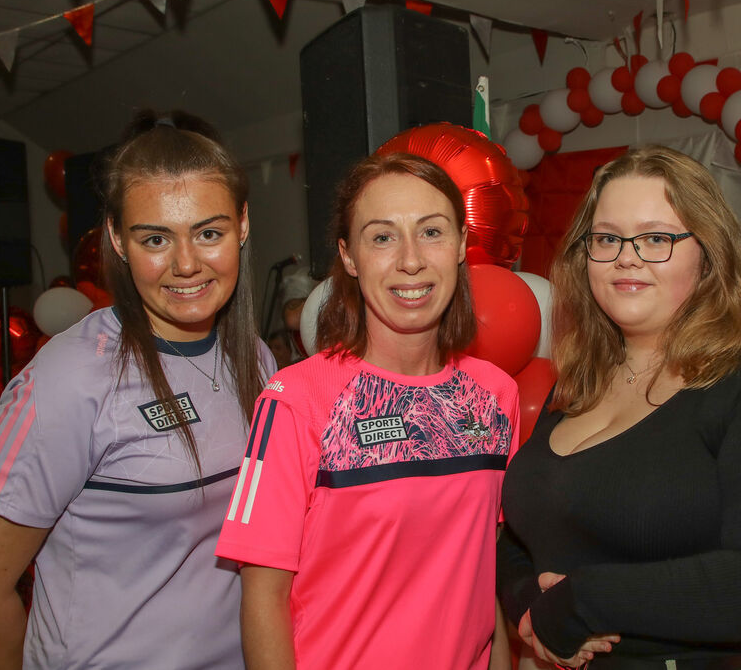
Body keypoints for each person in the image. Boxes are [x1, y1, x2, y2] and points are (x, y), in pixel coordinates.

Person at [0, 110, 275, 669]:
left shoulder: (255, 358)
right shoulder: (69, 381)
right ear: (117, 238)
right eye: (155, 239)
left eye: (208, 232)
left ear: (242, 224)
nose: (187, 264)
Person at [497, 145, 741, 669]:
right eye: (607, 238)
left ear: (708, 255)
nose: (626, 256)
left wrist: (582, 602)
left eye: (657, 238)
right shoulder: (580, 379)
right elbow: (522, 532)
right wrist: (529, 604)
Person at [216, 152, 520, 669]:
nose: (410, 260)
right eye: (382, 237)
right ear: (349, 256)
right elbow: (262, 597)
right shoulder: (296, 401)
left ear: (462, 245)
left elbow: (482, 574)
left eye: (432, 232)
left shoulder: (495, 397)